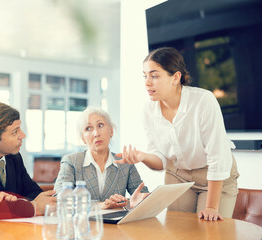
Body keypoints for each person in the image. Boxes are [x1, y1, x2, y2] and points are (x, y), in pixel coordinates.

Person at [115, 47, 239, 221]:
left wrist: (211, 207)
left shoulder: (203, 101)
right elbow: (161, 161)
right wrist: (142, 156)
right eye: (145, 76)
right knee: (177, 230)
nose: (147, 83)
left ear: (176, 77)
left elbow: (217, 157)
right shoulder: (148, 110)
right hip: (178, 175)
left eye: (155, 76)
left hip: (214, 174)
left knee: (210, 231)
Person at [54, 107, 149, 209]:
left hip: (116, 224)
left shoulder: (125, 163)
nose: (96, 134)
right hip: (83, 223)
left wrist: (132, 203)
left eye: (100, 125)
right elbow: (59, 198)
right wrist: (100, 205)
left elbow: (143, 196)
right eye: (88, 128)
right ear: (83, 138)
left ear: (111, 131)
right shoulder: (71, 162)